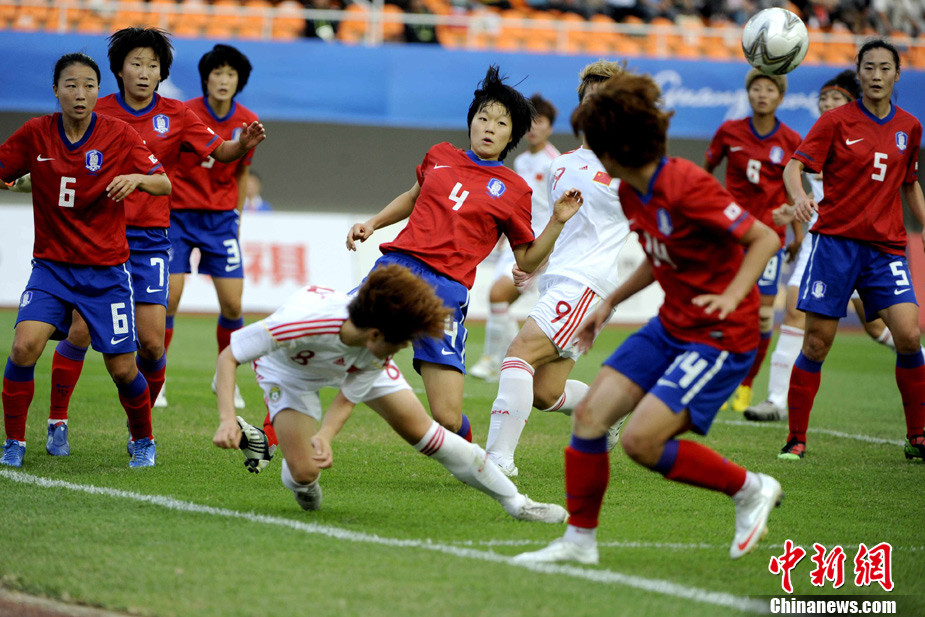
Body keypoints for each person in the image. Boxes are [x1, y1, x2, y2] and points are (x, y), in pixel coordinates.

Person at [513, 70, 783, 566]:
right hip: (671, 324)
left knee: (641, 441)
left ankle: (750, 488)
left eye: (595, 137)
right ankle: (579, 543)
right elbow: (658, 256)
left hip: (720, 333)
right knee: (590, 417)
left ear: (616, 144)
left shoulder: (685, 183)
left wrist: (732, 296)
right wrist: (610, 302)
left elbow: (763, 237)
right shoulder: (630, 193)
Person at [39, 30, 264, 457]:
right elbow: (63, 158)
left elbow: (221, 151)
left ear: (162, 73)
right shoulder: (97, 110)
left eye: (153, 66)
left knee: (153, 343)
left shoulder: (177, 114)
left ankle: (139, 429)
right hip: (99, 238)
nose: (144, 73)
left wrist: (242, 145)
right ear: (119, 70)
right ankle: (57, 422)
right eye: (136, 64)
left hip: (152, 240)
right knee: (81, 329)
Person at [212, 264, 568, 522]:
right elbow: (230, 356)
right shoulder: (301, 324)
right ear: (375, 335)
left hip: (355, 356)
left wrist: (325, 435)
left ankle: (517, 503)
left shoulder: (375, 344)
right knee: (304, 474)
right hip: (290, 371)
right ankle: (301, 480)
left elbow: (348, 395)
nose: (400, 351)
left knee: (428, 434)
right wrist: (227, 419)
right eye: (399, 344)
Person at [344, 66, 583, 443]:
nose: (489, 127)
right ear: (471, 121)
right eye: (483, 118)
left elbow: (526, 260)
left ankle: (477, 462)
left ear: (512, 135)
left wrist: (557, 220)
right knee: (337, 332)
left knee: (448, 417)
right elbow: (412, 197)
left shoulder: (515, 189)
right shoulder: (439, 155)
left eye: (501, 123)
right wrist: (373, 223)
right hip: (396, 268)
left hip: (445, 290)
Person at [0, 53, 171, 468]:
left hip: (106, 273)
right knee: (23, 347)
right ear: (56, 90)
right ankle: (14, 442)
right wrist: (19, 182)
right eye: (71, 85)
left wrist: (137, 178)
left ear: (98, 91)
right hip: (51, 268)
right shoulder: (36, 133)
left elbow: (164, 183)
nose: (80, 94)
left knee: (123, 369)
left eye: (89, 86)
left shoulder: (118, 133)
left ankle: (143, 440)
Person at [775, 39, 925, 460]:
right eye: (869, 68)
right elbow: (793, 166)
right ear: (858, 73)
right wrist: (799, 197)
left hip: (886, 249)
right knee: (816, 343)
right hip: (835, 246)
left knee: (909, 335)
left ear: (897, 74)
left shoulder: (910, 127)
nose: (876, 76)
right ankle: (796, 438)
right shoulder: (835, 121)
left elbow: (910, 184)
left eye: (884, 68)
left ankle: (918, 436)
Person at [484, 60, 630, 477]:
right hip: (558, 281)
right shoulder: (561, 164)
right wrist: (537, 267)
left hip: (589, 285)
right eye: (590, 99)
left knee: (518, 353)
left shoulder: (630, 166)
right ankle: (612, 408)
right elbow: (561, 229)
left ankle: (496, 461)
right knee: (544, 392)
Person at [744, 70, 895, 422]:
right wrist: (795, 209)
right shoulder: (819, 137)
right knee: (794, 309)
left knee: (878, 326)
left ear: (852, 103)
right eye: (823, 98)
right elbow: (815, 189)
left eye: (835, 98)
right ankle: (776, 400)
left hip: (860, 244)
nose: (827, 103)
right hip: (821, 242)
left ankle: (917, 358)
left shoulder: (867, 140)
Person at [165, 44, 261, 412]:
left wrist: (237, 218)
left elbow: (242, 172)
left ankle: (225, 379)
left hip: (220, 221)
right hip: (177, 216)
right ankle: (156, 378)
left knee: (233, 304)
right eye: (217, 72)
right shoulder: (183, 112)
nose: (223, 80)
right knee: (168, 299)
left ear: (239, 81)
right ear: (206, 78)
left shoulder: (247, 121)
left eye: (230, 74)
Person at [704, 68, 803, 414]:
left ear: (781, 96)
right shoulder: (729, 132)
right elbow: (705, 172)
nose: (762, 94)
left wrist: (797, 235)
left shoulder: (791, 140)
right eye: (757, 88)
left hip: (770, 239)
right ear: (748, 93)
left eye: (770, 89)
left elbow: (794, 192)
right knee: (721, 309)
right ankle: (715, 382)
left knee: (762, 318)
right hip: (731, 234)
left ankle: (745, 386)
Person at [469, 93, 560, 382]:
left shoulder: (555, 163)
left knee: (498, 295)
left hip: (538, 246)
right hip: (515, 242)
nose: (534, 127)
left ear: (550, 127)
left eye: (540, 121)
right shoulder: (520, 161)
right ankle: (511, 362)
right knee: (499, 302)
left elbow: (561, 211)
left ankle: (490, 361)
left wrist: (548, 251)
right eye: (530, 121)